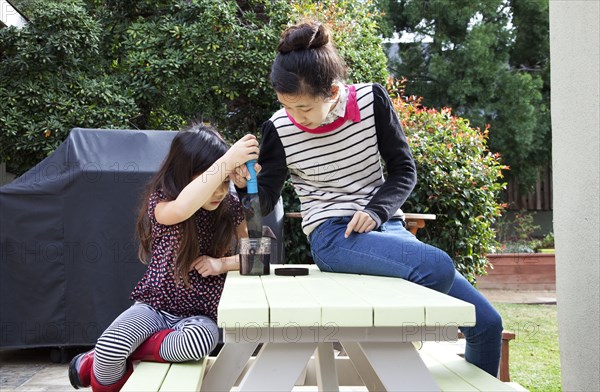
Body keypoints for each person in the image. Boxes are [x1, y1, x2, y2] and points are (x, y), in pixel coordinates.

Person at [241, 20, 503, 376]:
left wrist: (377, 211)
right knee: (438, 267)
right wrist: (246, 185)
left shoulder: (370, 101)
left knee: (488, 324)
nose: (294, 116)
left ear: (333, 91)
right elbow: (264, 201)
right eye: (286, 106)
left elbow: (403, 170)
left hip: (385, 226)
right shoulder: (278, 128)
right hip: (333, 237)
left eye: (303, 108)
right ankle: (397, 359)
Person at [68, 124, 259, 391]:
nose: (218, 190)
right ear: (182, 176)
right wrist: (226, 162)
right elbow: (184, 207)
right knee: (110, 350)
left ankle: (110, 352)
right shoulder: (163, 203)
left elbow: (259, 256)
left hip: (198, 317)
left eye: (224, 182)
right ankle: (103, 355)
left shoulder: (231, 206)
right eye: (213, 180)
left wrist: (249, 188)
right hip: (154, 308)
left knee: (199, 343)